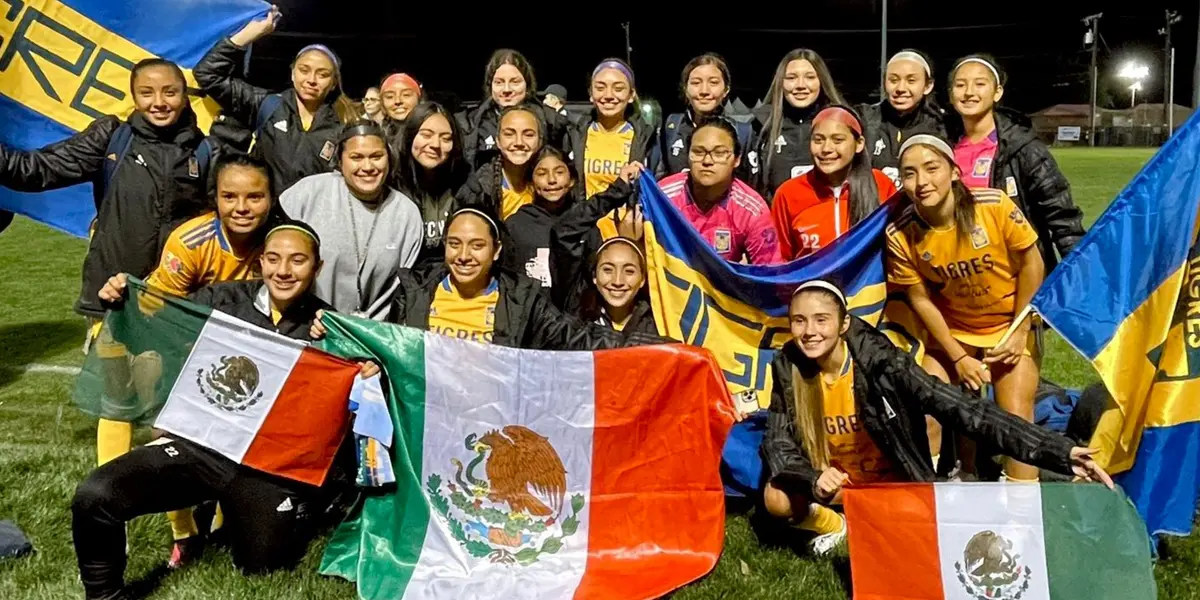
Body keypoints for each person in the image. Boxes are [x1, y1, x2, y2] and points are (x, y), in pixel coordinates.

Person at [72, 221, 376, 600]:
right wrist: (121, 305)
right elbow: (150, 336)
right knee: (96, 494)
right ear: (260, 262)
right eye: (274, 259)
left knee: (262, 564)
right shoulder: (219, 301)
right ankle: (104, 596)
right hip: (200, 449)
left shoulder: (328, 326)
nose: (283, 270)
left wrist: (364, 367)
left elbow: (346, 409)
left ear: (318, 267)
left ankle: (269, 510)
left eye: (298, 261)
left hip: (266, 467)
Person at [761, 280, 1113, 555]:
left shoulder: (882, 363)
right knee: (775, 497)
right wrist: (813, 478)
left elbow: (966, 410)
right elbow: (777, 443)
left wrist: (1059, 451)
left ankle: (881, 516)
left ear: (843, 324)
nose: (810, 331)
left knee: (924, 536)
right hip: (836, 489)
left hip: (890, 487)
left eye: (821, 319)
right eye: (799, 321)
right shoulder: (787, 367)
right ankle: (835, 525)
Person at [94, 152, 276, 567]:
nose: (242, 207)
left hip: (238, 345)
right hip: (172, 336)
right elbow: (160, 314)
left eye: (254, 197)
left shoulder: (276, 243)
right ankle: (179, 529)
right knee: (167, 422)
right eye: (230, 196)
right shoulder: (191, 242)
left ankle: (224, 521)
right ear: (215, 198)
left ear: (270, 198)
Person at [0, 58, 215, 323]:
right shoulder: (112, 137)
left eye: (170, 92)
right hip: (112, 299)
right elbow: (33, 171)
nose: (159, 102)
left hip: (178, 302)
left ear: (185, 97)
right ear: (134, 98)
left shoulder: (206, 150)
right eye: (147, 93)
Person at [885, 134, 1046, 483]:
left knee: (1016, 417)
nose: (922, 181)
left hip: (1009, 324)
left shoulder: (993, 205)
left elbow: (1032, 264)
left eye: (932, 168)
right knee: (925, 406)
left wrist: (1021, 329)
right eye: (910, 173)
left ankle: (1022, 501)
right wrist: (958, 357)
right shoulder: (900, 233)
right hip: (954, 331)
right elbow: (920, 299)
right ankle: (939, 490)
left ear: (955, 172)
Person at [194, 5, 358, 199]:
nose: (311, 80)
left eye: (322, 74)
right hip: (263, 212)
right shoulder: (267, 105)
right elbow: (208, 74)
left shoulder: (343, 125)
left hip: (312, 215)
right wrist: (249, 35)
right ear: (293, 73)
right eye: (304, 70)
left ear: (333, 83)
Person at [946, 54, 1084, 272]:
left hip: (1019, 274)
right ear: (951, 94)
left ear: (997, 92)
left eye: (980, 84)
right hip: (961, 274)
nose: (969, 92)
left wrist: (1081, 273)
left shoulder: (1024, 147)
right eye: (960, 85)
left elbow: (1063, 218)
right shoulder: (942, 149)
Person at [281, 122, 422, 320]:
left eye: (376, 157)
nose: (368, 167)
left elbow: (400, 289)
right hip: (303, 323)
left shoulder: (406, 214)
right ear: (340, 161)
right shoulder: (307, 194)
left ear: (389, 158)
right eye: (356, 157)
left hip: (372, 332)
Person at [771, 105, 896, 260]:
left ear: (859, 143)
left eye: (838, 140)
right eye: (818, 140)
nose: (826, 149)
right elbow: (779, 260)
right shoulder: (788, 194)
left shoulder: (881, 184)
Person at [658, 118, 781, 265]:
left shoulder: (752, 210)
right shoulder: (662, 197)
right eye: (698, 152)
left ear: (736, 160)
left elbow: (770, 270)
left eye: (719, 153)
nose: (707, 161)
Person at [752, 49, 846, 200]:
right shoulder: (761, 125)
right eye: (791, 78)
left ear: (821, 81)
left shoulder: (842, 123)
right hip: (777, 213)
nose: (800, 85)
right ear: (781, 82)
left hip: (828, 211)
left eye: (810, 77)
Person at [456, 49, 567, 169]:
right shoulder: (471, 124)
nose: (507, 89)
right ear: (490, 86)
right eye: (499, 82)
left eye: (515, 82)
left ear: (527, 85)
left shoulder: (552, 122)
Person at [393, 102, 470, 269]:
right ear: (410, 136)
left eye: (446, 138)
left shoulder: (466, 183)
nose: (435, 144)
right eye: (426, 135)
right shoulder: (390, 185)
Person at [567, 59, 659, 198]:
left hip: (628, 212)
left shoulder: (647, 138)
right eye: (600, 88)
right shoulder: (573, 134)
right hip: (586, 211)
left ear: (631, 95)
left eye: (618, 89)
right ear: (591, 93)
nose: (608, 96)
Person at [657, 53, 754, 179]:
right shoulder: (672, 126)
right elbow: (660, 176)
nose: (704, 91)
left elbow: (750, 182)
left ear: (726, 90)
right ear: (685, 89)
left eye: (713, 83)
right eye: (696, 83)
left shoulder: (742, 132)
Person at [860, 50, 946, 187]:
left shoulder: (941, 126)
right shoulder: (864, 119)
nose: (900, 88)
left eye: (911, 81)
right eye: (893, 80)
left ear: (928, 86)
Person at [457, 104, 544, 221]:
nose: (519, 142)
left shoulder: (549, 182)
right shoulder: (479, 188)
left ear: (540, 141)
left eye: (528, 135)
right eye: (509, 134)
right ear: (497, 141)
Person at [378, 72, 423, 157]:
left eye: (406, 95)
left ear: (419, 98)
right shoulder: (379, 137)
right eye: (390, 96)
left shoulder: (430, 132)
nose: (398, 101)